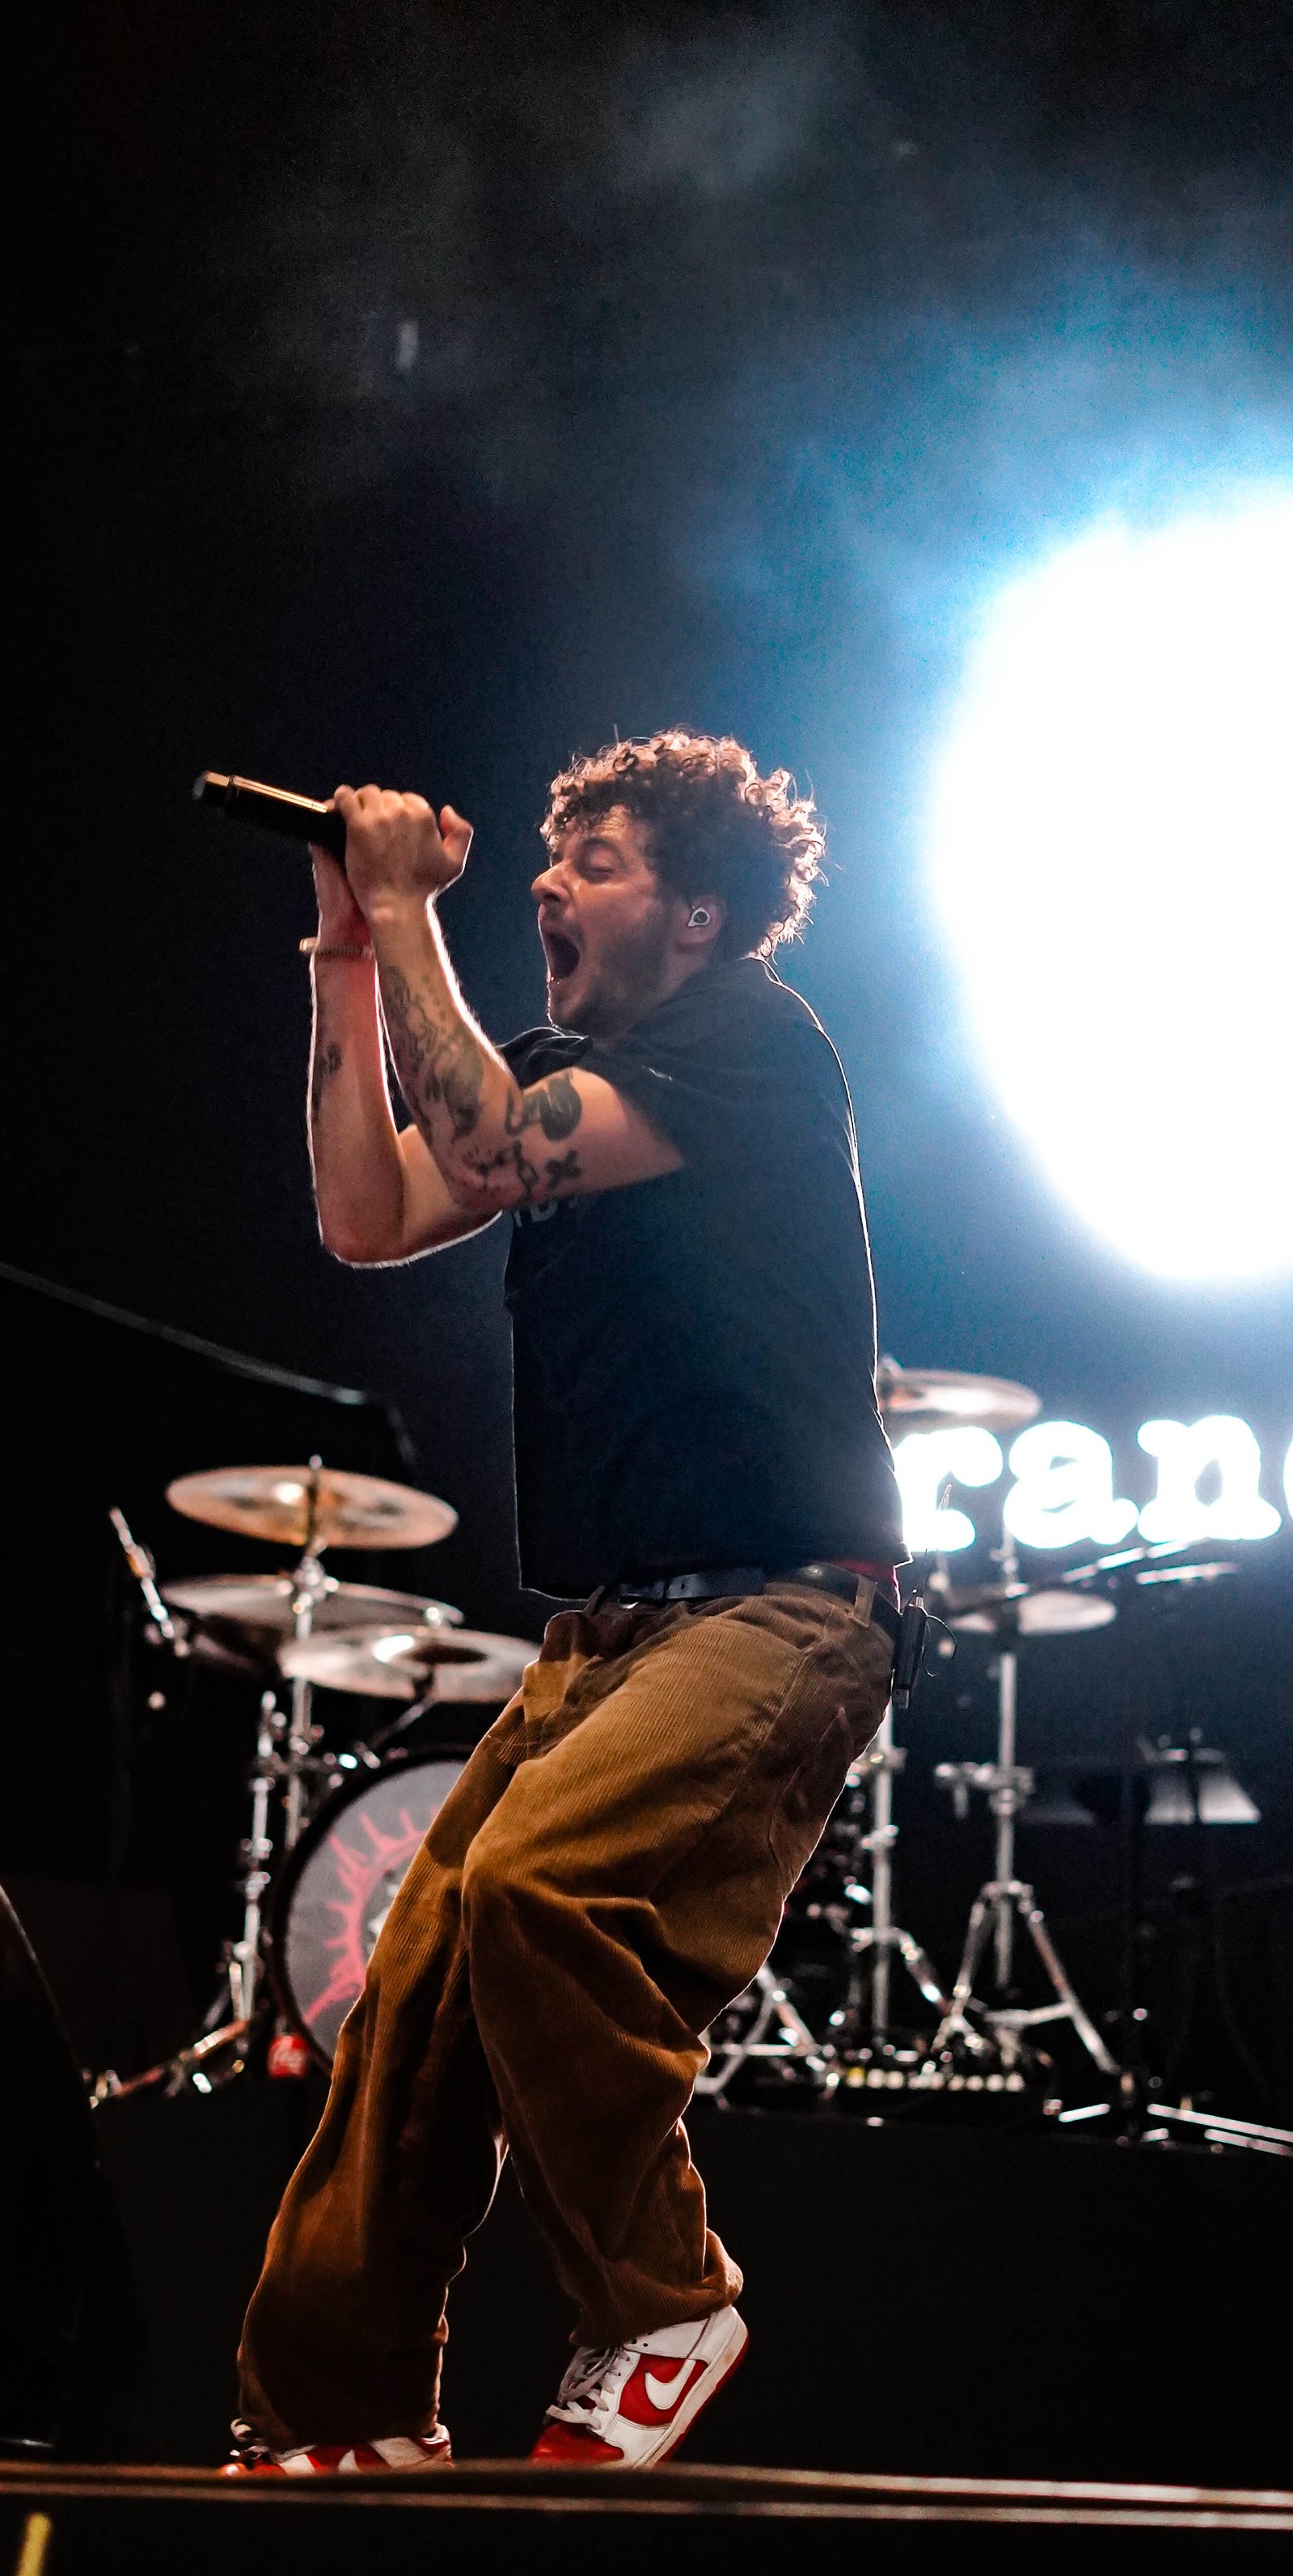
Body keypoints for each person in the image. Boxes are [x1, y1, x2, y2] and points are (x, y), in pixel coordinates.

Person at [228, 728, 905, 2477]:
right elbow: (365, 1210)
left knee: (536, 1888)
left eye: (591, 862)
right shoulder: (550, 1063)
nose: (546, 881)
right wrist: (347, 954)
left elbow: (485, 1132)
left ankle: (663, 2298)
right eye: (554, 858)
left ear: (695, 912)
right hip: (609, 1630)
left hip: (778, 1611)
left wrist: (403, 910)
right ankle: (345, 2416)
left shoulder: (747, 1040)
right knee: (417, 1994)